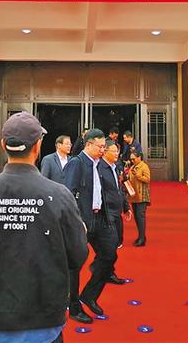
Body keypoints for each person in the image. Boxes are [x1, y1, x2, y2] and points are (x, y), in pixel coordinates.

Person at [0, 111, 88, 343]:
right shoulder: (59, 194)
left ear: (3, 145)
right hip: (44, 314)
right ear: (38, 146)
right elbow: (77, 255)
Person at [63, 128, 118, 324]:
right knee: (75, 265)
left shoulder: (98, 164)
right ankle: (74, 307)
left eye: (104, 147)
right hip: (81, 222)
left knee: (109, 255)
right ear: (88, 145)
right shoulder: (77, 163)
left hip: (100, 218)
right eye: (100, 146)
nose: (103, 150)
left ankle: (89, 295)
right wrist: (77, 221)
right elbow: (68, 195)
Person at [100, 139, 130, 285]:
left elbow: (120, 189)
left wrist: (126, 206)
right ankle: (106, 272)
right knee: (109, 245)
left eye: (118, 151)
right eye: (114, 151)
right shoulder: (99, 168)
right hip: (107, 212)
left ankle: (105, 270)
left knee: (117, 242)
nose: (117, 154)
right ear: (105, 152)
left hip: (117, 211)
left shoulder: (116, 167)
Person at [127, 151, 150, 247]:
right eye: (131, 159)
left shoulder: (144, 166)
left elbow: (147, 179)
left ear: (139, 157)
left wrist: (138, 176)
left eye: (134, 159)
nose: (132, 161)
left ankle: (142, 238)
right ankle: (141, 236)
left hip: (142, 195)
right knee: (136, 217)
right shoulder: (132, 167)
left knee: (140, 216)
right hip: (134, 195)